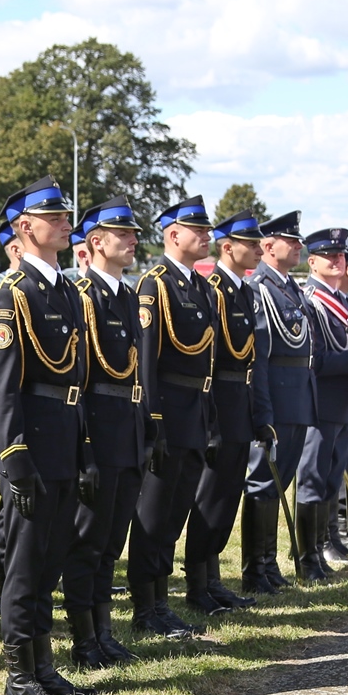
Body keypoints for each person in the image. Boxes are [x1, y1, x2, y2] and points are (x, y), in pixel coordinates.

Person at [0, 176, 92, 695]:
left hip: (65, 441)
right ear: (25, 228)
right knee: (23, 564)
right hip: (32, 448)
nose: (65, 222)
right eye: (53, 216)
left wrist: (85, 444)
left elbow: (79, 377)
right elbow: (2, 388)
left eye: (64, 214)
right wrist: (13, 454)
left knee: (50, 560)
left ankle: (44, 665)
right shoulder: (12, 296)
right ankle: (18, 673)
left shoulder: (66, 290)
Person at [62, 197, 150, 665]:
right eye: (123, 233)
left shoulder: (126, 295)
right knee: (87, 541)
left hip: (129, 432)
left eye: (133, 233)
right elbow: (78, 378)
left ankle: (103, 630)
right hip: (99, 430)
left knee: (111, 540)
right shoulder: (83, 296)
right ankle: (83, 638)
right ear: (96, 243)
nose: (133, 240)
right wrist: (87, 447)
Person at [127, 196, 216, 636]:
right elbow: (146, 361)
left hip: (195, 414)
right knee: (154, 515)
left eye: (206, 230)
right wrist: (152, 420)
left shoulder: (200, 286)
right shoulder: (155, 285)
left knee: (175, 513)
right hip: (167, 414)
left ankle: (161, 602)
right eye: (196, 230)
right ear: (172, 234)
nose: (205, 237)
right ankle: (145, 608)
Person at [184, 210, 273, 611]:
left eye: (258, 243)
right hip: (219, 405)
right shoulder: (213, 289)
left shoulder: (243, 291)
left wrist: (258, 414)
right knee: (209, 499)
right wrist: (212, 420)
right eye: (250, 244)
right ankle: (197, 584)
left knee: (227, 499)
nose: (257, 250)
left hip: (240, 404)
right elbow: (211, 360)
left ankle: (214, 579)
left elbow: (249, 361)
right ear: (227, 247)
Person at [241, 211, 313, 591]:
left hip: (296, 397)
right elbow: (262, 358)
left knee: (278, 482)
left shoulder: (288, 288)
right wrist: (263, 410)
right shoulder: (260, 287)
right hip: (277, 400)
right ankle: (255, 569)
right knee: (263, 482)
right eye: (292, 241)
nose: (299, 246)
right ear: (268, 246)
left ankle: (268, 564)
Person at [298, 228, 348, 579]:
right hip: (320, 405)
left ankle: (325, 543)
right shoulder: (311, 302)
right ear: (312, 262)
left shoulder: (343, 302)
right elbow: (318, 360)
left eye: (340, 255)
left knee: (331, 478)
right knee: (312, 478)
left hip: (342, 405)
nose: (338, 260)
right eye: (329, 256)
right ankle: (309, 557)